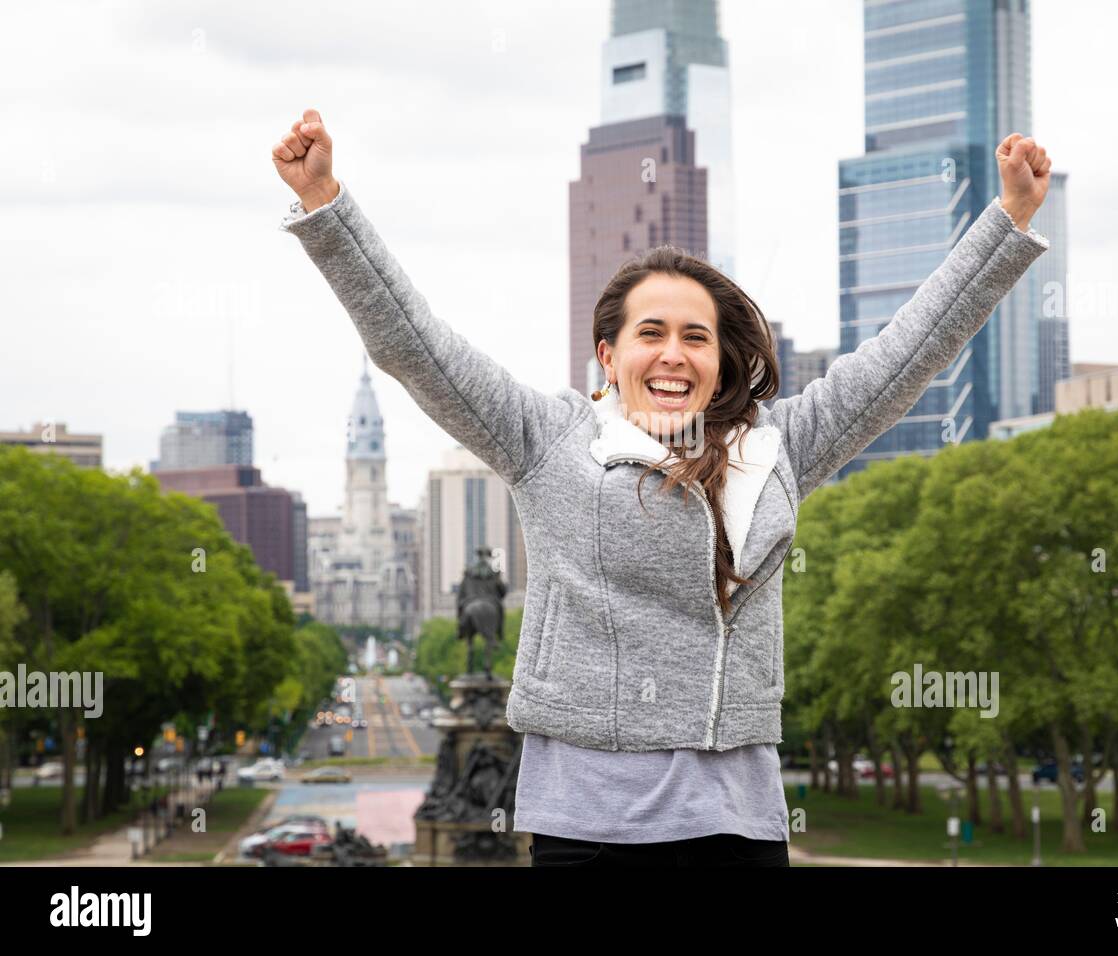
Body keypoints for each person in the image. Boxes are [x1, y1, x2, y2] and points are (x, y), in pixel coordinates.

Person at [271, 108, 1052, 867]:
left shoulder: (777, 447)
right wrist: (325, 206)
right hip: (589, 827)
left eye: (695, 336)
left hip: (741, 824)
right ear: (608, 356)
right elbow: (416, 348)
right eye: (651, 333)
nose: (673, 354)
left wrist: (1008, 220)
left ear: (721, 359)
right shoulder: (549, 441)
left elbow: (909, 355)